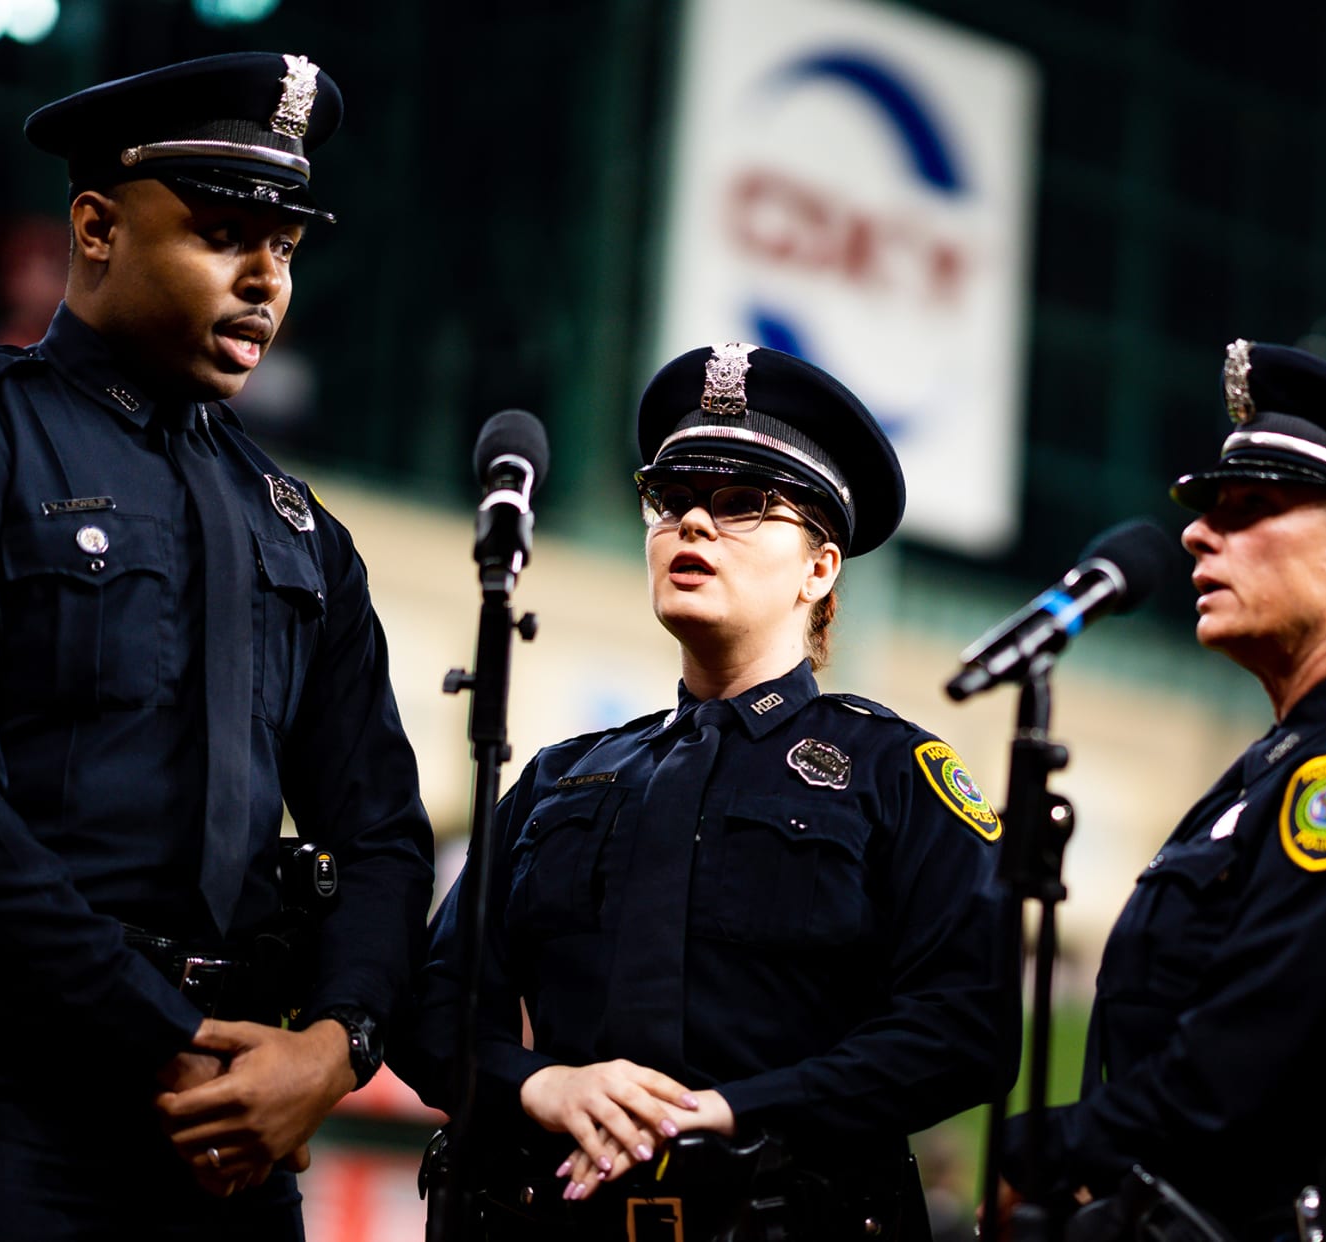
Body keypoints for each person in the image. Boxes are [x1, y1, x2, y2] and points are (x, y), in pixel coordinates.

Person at [0, 54, 434, 1239]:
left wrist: (335, 1047)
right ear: (96, 227)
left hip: (225, 1135)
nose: (263, 281)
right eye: (221, 233)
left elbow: (386, 838)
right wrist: (163, 1035)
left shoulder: (305, 534)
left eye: (287, 248)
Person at [391, 342, 1014, 1240]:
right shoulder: (557, 777)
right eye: (671, 500)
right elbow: (433, 1008)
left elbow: (966, 1031)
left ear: (820, 569)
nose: (692, 524)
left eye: (741, 505)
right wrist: (544, 1085)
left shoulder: (896, 774)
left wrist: (729, 1109)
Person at [997, 341, 1326, 1239]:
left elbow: (1246, 1071)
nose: (1197, 532)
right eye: (1208, 510)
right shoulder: (1285, 763)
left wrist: (1050, 1151)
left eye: (1251, 508)